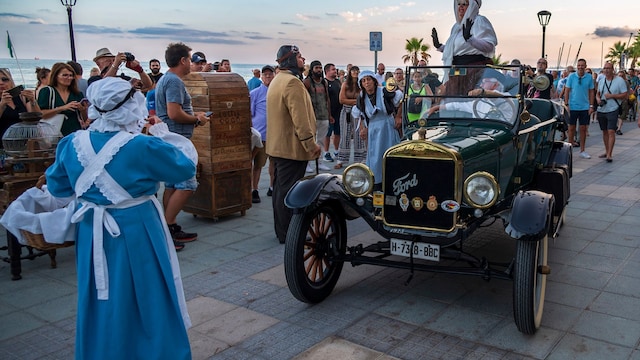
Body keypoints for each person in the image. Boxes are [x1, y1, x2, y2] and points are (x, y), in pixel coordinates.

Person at [44, 77, 194, 359]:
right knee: (148, 293)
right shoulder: (142, 146)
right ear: (130, 107)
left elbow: (58, 187)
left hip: (92, 229)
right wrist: (161, 133)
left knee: (101, 294)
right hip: (137, 226)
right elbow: (184, 168)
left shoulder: (71, 143)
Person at [155, 42, 210, 247]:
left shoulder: (164, 79)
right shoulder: (175, 82)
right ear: (183, 61)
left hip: (170, 137)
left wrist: (194, 115)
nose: (190, 63)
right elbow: (174, 113)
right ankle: (167, 227)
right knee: (188, 183)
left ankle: (171, 225)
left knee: (171, 183)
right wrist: (197, 120)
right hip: (177, 139)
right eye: (189, 58)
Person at [266, 45, 321, 244]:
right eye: (299, 56)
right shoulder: (292, 83)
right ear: (290, 59)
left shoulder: (277, 80)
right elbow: (300, 119)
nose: (303, 59)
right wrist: (310, 145)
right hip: (290, 148)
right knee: (290, 192)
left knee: (280, 190)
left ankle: (282, 231)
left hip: (277, 147)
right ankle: (289, 233)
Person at [352, 70, 402, 188]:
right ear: (361, 84)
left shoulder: (384, 92)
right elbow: (359, 114)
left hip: (387, 125)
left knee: (390, 153)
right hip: (373, 127)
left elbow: (400, 100)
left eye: (368, 79)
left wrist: (398, 117)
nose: (367, 83)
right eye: (364, 81)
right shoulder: (361, 97)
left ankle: (393, 180)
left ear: (374, 81)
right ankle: (377, 182)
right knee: (375, 156)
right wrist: (362, 128)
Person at [431, 0, 497, 87]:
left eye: (464, 4)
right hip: (457, 70)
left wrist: (470, 39)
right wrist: (439, 46)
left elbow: (489, 46)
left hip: (474, 69)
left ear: (472, 6)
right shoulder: (456, 27)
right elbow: (456, 50)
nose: (460, 7)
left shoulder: (480, 21)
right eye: (459, 4)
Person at [427, 77, 514, 122]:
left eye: (485, 82)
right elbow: (458, 106)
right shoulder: (478, 102)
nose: (481, 84)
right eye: (482, 82)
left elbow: (498, 96)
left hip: (500, 134)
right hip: (478, 133)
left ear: (495, 84)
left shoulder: (506, 98)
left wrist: (483, 92)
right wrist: (436, 107)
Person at [37, 62, 88, 135]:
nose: (69, 78)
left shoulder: (77, 94)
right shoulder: (47, 92)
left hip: (74, 133)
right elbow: (41, 114)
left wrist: (83, 110)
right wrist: (62, 108)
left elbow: (84, 118)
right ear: (56, 76)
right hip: (54, 134)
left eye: (71, 75)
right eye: (65, 75)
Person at [249, 65, 275, 202]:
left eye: (270, 74)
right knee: (258, 164)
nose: (268, 77)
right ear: (261, 76)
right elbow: (250, 114)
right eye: (265, 75)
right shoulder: (255, 93)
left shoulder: (277, 92)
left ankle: (272, 187)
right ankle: (255, 189)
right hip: (262, 134)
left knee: (274, 163)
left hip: (275, 134)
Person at [303, 60, 332, 172]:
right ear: (312, 69)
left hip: (323, 115)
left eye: (320, 68)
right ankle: (308, 163)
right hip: (312, 116)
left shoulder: (324, 82)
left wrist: (329, 114)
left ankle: (319, 162)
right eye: (316, 68)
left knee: (320, 140)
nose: (319, 70)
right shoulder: (307, 82)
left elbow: (327, 98)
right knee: (311, 140)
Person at [595, 62, 627, 163]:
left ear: (613, 69)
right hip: (602, 109)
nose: (606, 70)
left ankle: (609, 154)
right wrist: (598, 99)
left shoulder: (619, 81)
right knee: (604, 131)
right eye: (605, 68)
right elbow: (598, 93)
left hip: (613, 109)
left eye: (608, 68)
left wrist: (612, 96)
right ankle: (606, 150)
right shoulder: (601, 80)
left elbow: (625, 95)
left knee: (611, 131)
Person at [335, 65, 366, 169]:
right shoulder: (345, 84)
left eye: (357, 71)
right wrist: (355, 102)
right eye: (353, 71)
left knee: (359, 135)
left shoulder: (361, 85)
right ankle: (341, 160)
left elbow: (364, 99)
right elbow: (341, 100)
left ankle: (361, 159)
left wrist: (356, 103)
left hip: (358, 112)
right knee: (345, 134)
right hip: (346, 111)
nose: (355, 73)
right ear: (350, 72)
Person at [0, 69, 41, 145]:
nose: (1, 83)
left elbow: (37, 117)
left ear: (11, 81)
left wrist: (32, 100)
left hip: (24, 143)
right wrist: (2, 105)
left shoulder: (20, 97)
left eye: (5, 79)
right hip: (3, 144)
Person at [564, 58, 594, 159]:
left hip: (584, 107)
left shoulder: (589, 77)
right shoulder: (572, 76)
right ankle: (569, 149)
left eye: (582, 65)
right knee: (571, 128)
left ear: (585, 66)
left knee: (583, 129)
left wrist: (591, 105)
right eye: (579, 65)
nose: (580, 67)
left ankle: (582, 150)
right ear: (577, 66)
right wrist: (567, 104)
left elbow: (591, 92)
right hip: (573, 106)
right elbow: (567, 91)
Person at [324, 63, 342, 163]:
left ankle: (336, 151)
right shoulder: (324, 82)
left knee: (338, 132)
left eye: (335, 69)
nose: (335, 71)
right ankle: (326, 153)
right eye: (333, 69)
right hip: (328, 113)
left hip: (338, 112)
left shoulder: (337, 82)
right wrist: (328, 114)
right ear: (327, 71)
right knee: (327, 134)